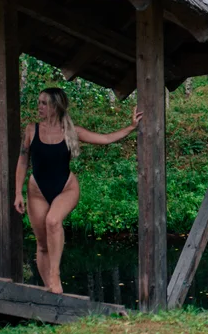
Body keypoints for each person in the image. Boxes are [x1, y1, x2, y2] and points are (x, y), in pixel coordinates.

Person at [14, 88, 141, 294]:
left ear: (56, 106)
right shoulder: (31, 130)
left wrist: (132, 127)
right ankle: (52, 291)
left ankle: (55, 276)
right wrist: (18, 193)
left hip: (66, 187)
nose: (39, 106)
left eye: (44, 103)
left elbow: (106, 139)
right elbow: (22, 161)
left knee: (53, 221)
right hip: (37, 190)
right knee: (42, 244)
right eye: (39, 102)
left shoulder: (72, 131)